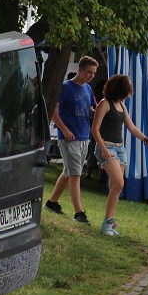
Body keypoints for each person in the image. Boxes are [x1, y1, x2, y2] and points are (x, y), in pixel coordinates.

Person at [91, 74, 148, 236]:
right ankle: (107, 223)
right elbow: (95, 129)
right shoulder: (104, 104)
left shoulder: (121, 104)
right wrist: (104, 150)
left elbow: (132, 127)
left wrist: (146, 140)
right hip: (106, 147)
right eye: (129, 86)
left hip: (120, 149)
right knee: (119, 183)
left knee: (117, 186)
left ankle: (109, 221)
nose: (131, 90)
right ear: (120, 88)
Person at [46, 56, 99, 223]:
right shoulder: (65, 88)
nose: (91, 76)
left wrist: (98, 112)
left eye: (94, 73)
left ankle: (52, 202)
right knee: (75, 174)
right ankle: (79, 213)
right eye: (88, 72)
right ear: (80, 70)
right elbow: (54, 111)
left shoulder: (88, 89)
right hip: (69, 137)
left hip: (84, 136)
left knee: (69, 171)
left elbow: (91, 108)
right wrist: (65, 130)